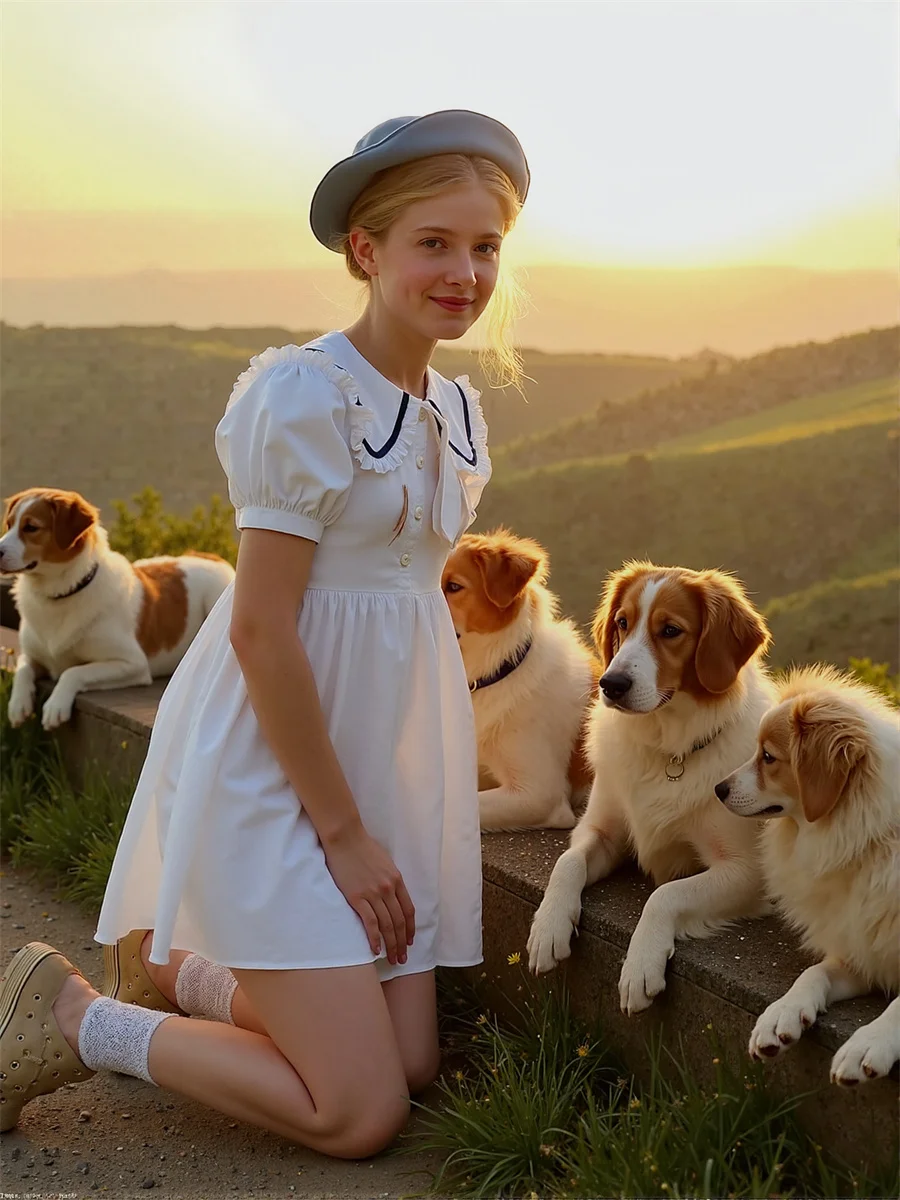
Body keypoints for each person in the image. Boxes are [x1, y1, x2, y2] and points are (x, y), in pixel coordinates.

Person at [0, 110, 529, 1156]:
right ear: (365, 251)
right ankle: (77, 1015)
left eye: (486, 245)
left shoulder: (455, 410)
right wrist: (343, 836)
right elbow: (260, 629)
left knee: (413, 1062)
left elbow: (402, 606)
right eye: (435, 242)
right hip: (282, 773)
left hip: (380, 767)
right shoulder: (303, 395)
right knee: (359, 1109)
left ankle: (186, 972)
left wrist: (396, 808)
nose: (466, 271)